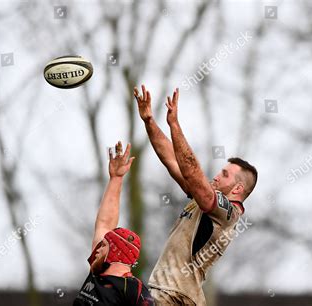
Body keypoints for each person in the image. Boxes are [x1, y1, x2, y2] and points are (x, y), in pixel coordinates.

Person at [134, 85, 258, 305]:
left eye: (225, 174)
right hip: (169, 293)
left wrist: (174, 124)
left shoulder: (227, 214)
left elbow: (192, 171)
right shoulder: (204, 200)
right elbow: (172, 159)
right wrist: (149, 121)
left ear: (238, 189)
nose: (217, 177)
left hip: (176, 297)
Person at [73, 141, 155, 306]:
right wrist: (116, 178)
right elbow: (104, 223)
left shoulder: (133, 289)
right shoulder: (97, 273)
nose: (97, 250)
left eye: (103, 245)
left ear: (115, 252)